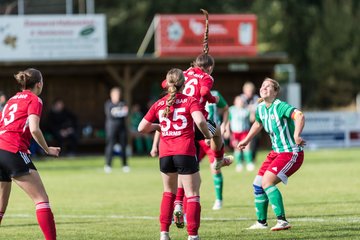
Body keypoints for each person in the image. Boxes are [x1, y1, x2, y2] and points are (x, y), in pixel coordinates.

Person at [138, 68, 213, 240]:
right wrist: (208, 135)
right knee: (192, 194)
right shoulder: (190, 100)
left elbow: (141, 128)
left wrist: (159, 127)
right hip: (185, 151)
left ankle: (164, 234)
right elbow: (201, 121)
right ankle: (192, 235)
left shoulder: (159, 103)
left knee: (168, 193)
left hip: (165, 154)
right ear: (183, 83)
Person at [237, 78, 306, 231]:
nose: (264, 88)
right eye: (263, 86)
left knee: (267, 182)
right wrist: (246, 140)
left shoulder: (280, 106)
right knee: (257, 184)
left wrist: (296, 135)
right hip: (276, 153)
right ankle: (261, 223)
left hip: (291, 153)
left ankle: (282, 221)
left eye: (269, 86)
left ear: (275, 92)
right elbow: (257, 123)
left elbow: (299, 115)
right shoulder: (260, 107)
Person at [0, 68, 60, 239]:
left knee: (0, 205)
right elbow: (34, 129)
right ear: (39, 84)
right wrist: (47, 149)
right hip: (12, 149)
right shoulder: (35, 99)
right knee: (41, 199)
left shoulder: (11, 100)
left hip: (0, 148)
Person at [104, 87, 129, 173]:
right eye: (115, 95)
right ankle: (108, 165)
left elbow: (125, 113)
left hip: (122, 128)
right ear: (111, 95)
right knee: (110, 146)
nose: (116, 96)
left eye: (118, 95)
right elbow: (111, 114)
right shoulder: (108, 104)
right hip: (111, 128)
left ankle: (125, 165)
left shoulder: (123, 103)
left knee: (123, 146)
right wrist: (119, 112)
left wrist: (117, 112)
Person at [227, 95, 254, 172]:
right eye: (238, 101)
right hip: (235, 132)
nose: (240, 102)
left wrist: (252, 111)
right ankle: (239, 164)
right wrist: (227, 131)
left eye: (241, 101)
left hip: (245, 131)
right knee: (237, 148)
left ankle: (249, 163)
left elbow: (252, 120)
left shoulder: (246, 110)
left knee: (247, 147)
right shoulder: (231, 110)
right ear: (235, 102)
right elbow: (228, 121)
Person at [240, 81, 260, 162]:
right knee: (242, 141)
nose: (250, 93)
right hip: (242, 124)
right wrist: (250, 109)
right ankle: (241, 159)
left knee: (254, 140)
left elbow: (257, 108)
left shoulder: (256, 98)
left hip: (253, 123)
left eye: (251, 91)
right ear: (244, 90)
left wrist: (251, 109)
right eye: (248, 91)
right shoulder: (241, 98)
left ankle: (253, 158)